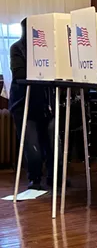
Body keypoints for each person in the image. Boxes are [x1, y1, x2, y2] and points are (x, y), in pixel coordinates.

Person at [8, 18, 62, 190]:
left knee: (54, 142)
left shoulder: (47, 50)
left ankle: (55, 177)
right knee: (33, 146)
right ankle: (35, 178)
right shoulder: (17, 48)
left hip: (45, 103)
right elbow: (19, 74)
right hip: (23, 104)